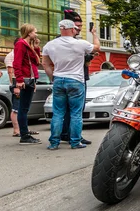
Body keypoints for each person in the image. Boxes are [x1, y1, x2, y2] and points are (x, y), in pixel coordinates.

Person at [42, 19, 100, 149]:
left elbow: (45, 63)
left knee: (58, 113)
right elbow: (97, 47)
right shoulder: (80, 44)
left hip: (58, 79)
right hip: (76, 80)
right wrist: (94, 34)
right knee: (76, 113)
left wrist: (53, 77)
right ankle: (75, 142)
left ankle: (54, 143)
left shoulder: (49, 45)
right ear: (72, 29)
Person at [59, 10, 94, 145]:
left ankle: (64, 134)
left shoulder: (60, 41)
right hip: (76, 78)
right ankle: (74, 136)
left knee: (66, 110)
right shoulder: (74, 43)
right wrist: (94, 35)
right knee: (76, 110)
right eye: (77, 26)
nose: (78, 29)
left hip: (65, 78)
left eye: (80, 26)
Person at [13, 24, 42, 144]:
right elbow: (17, 63)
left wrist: (36, 47)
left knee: (24, 108)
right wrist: (19, 80)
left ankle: (25, 133)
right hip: (25, 79)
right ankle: (24, 135)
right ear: (29, 33)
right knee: (23, 108)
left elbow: (36, 62)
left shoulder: (28, 45)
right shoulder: (21, 44)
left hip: (30, 79)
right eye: (35, 32)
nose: (36, 34)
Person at [4, 37, 21, 137]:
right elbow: (11, 72)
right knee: (16, 108)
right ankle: (16, 130)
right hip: (16, 84)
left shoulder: (18, 54)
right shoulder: (11, 55)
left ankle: (22, 128)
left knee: (21, 108)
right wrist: (15, 86)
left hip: (20, 83)